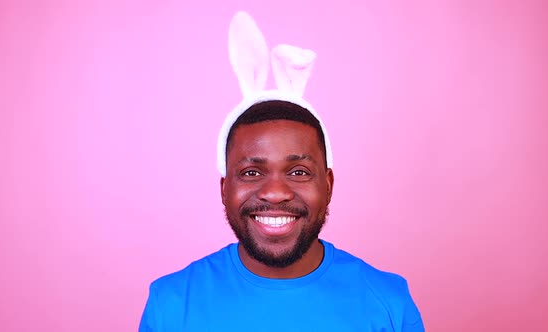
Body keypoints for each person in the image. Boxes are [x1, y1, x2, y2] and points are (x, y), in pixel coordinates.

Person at [139, 11, 424, 331]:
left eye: (299, 172)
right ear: (223, 188)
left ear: (328, 185)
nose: (275, 192)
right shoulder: (172, 304)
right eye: (251, 173)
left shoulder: (389, 303)